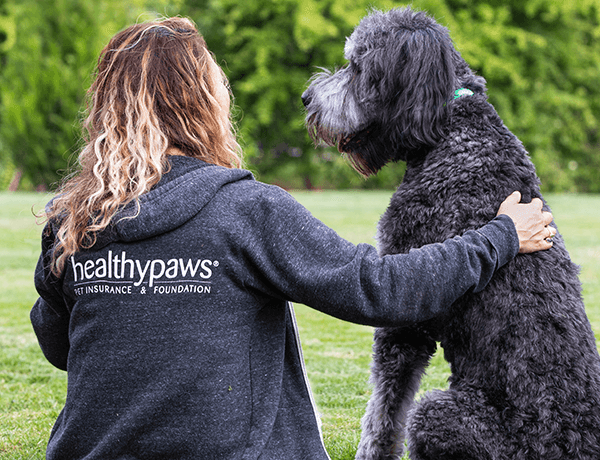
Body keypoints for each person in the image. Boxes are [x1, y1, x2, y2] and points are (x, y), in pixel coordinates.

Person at [30, 17, 556, 459]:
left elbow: (61, 346)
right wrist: (500, 237)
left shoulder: (71, 221)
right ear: (201, 102)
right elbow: (380, 290)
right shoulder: (244, 210)